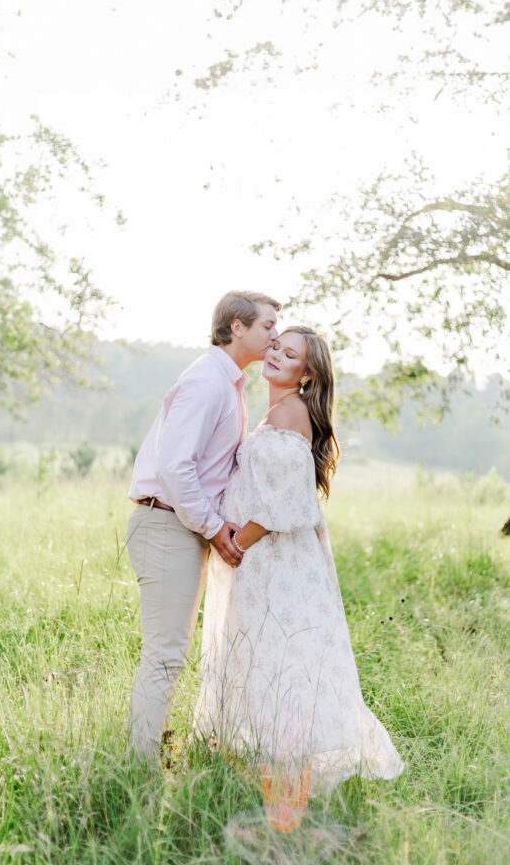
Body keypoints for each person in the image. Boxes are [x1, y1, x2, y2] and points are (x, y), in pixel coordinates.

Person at [193, 326, 404, 832]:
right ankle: (279, 812)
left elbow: (286, 503)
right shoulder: (274, 413)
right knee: (271, 680)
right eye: (275, 346)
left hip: (277, 568)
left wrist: (235, 541)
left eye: (290, 355)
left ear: (305, 374)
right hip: (266, 567)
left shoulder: (290, 413)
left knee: (284, 681)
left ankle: (285, 819)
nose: (276, 356)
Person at [126, 290, 281, 759]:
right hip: (164, 524)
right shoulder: (207, 382)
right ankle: (140, 770)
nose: (275, 334)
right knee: (165, 656)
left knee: (170, 656)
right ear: (238, 327)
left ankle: (145, 759)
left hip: (181, 527)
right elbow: (176, 468)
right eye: (268, 326)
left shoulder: (230, 383)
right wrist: (216, 528)